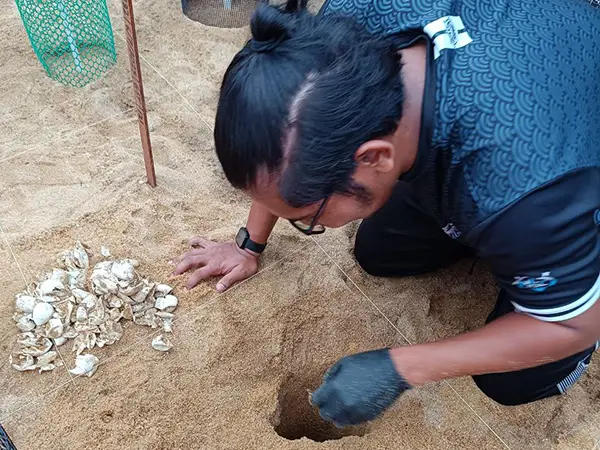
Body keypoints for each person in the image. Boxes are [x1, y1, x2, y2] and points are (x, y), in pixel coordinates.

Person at [172, 0, 600, 427]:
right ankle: (516, 251)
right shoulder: (341, 31)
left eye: (308, 217)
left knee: (512, 380)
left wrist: (402, 368)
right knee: (381, 252)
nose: (310, 223)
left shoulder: (526, 187)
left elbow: (573, 326)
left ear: (374, 156)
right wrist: (249, 245)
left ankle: (569, 262)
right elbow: (281, 157)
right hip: (499, 139)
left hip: (560, 162)